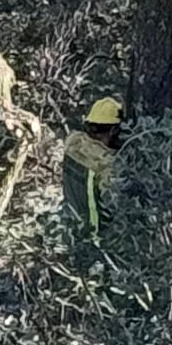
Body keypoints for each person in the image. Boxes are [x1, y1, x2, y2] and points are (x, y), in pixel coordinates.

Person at [60, 95, 123, 254]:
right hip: (99, 243)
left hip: (72, 227)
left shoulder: (72, 143)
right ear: (114, 131)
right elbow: (118, 206)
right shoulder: (106, 166)